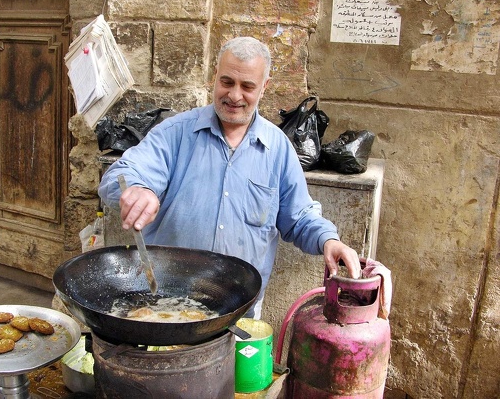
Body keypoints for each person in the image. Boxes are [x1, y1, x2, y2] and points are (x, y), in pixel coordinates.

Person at [99, 36, 361, 318]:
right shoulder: (175, 133)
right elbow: (121, 175)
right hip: (165, 307)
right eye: (227, 82)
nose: (235, 95)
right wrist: (138, 188)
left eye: (247, 86)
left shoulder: (278, 149)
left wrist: (329, 240)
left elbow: (298, 217)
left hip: (238, 311)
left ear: (264, 87)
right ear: (215, 77)